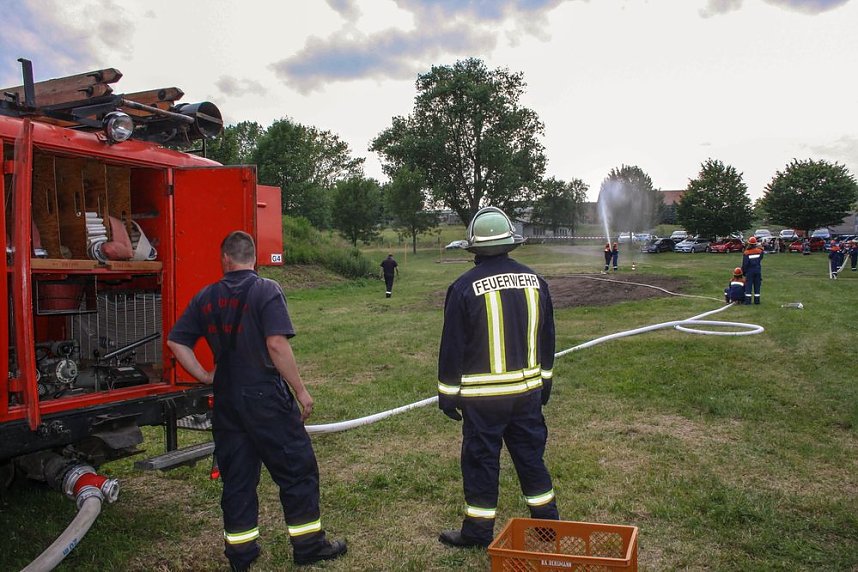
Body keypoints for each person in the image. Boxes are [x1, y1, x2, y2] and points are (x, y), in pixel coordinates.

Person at [167, 231, 346, 571]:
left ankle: (241, 556)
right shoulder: (267, 290)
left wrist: (207, 376)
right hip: (265, 396)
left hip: (227, 400)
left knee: (237, 479)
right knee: (297, 469)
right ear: (254, 258)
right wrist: (301, 390)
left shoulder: (206, 296)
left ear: (225, 259)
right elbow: (276, 344)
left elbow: (177, 343)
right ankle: (308, 545)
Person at [437, 206, 559, 549]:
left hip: (483, 399)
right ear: (510, 243)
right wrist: (545, 382)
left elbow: (452, 348)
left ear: (473, 248)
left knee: (480, 461)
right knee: (531, 457)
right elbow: (547, 338)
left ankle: (477, 534)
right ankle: (548, 525)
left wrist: (448, 394)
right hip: (528, 395)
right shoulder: (536, 282)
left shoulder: (463, 287)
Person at [741, 236, 764, 305]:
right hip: (757, 270)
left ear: (749, 244)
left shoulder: (746, 253)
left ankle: (748, 301)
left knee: (748, 286)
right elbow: (760, 258)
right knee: (757, 286)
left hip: (749, 271)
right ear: (755, 244)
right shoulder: (760, 251)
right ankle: (757, 301)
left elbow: (745, 264)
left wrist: (743, 272)